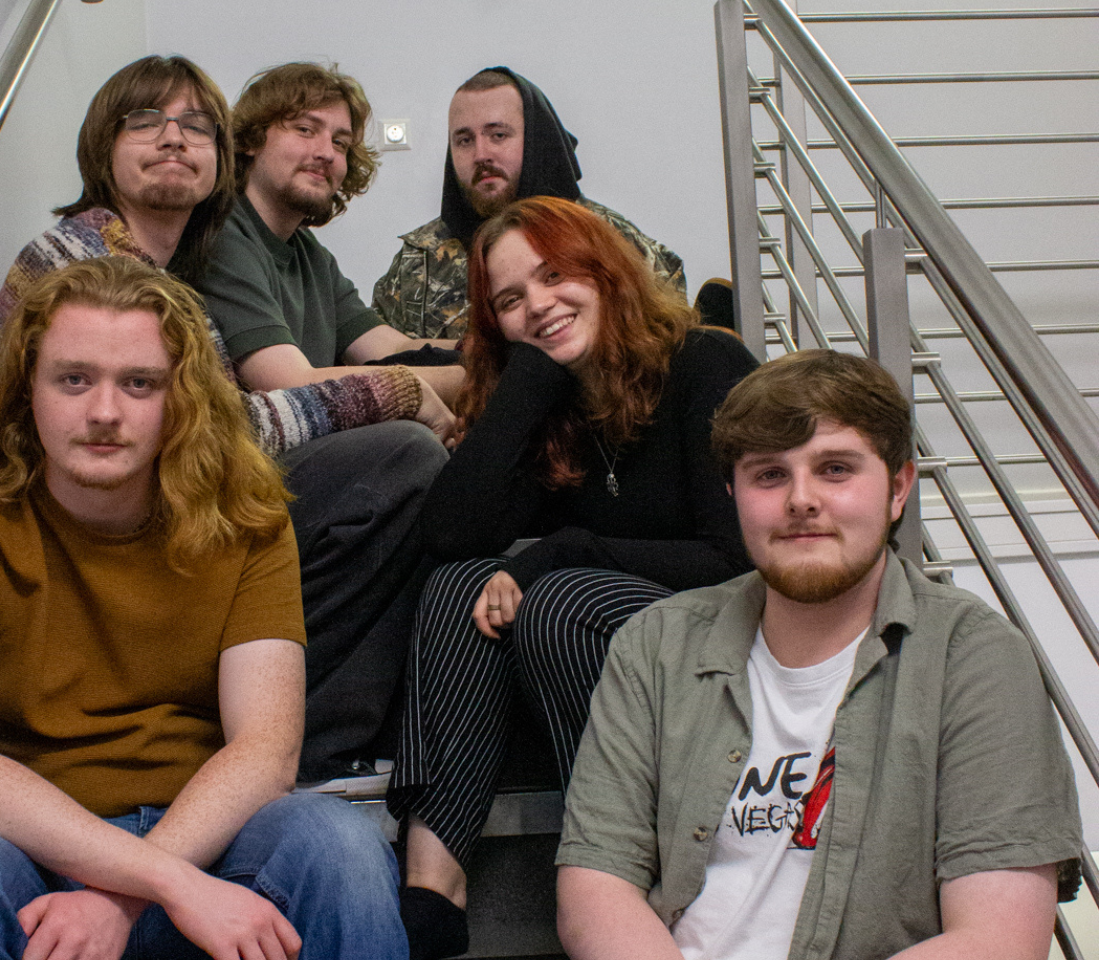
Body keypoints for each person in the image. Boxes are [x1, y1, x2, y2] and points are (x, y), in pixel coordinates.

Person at [0, 257, 407, 960]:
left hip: (210, 842)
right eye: (74, 379)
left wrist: (125, 898)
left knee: (339, 843)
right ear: (26, 389)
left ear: (180, 398)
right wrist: (163, 884)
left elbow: (266, 752)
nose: (104, 413)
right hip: (36, 852)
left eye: (139, 383)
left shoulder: (245, 522)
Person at [0, 55, 450, 784]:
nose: (174, 138)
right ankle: (299, 746)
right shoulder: (88, 262)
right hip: (98, 533)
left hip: (159, 504)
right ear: (103, 146)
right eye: (146, 121)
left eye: (196, 126)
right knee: (401, 459)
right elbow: (221, 430)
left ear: (217, 156)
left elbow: (221, 425)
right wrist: (398, 392)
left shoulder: (169, 279)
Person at [557, 349, 1084, 960]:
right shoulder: (656, 645)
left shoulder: (974, 660)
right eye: (769, 475)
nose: (801, 500)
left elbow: (997, 940)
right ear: (733, 494)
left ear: (898, 488)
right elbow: (596, 886)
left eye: (835, 469)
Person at [385, 196, 757, 959]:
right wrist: (526, 377)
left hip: (731, 633)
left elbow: (741, 558)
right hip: (612, 641)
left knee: (560, 599)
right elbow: (451, 535)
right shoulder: (556, 407)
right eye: (509, 300)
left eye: (555, 276)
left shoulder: (704, 363)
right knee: (461, 586)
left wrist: (566, 549)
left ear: (605, 270)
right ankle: (433, 888)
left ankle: (627, 873)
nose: (538, 304)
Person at [195, 61, 464, 406]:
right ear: (250, 140)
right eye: (305, 130)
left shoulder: (308, 252)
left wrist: (485, 351)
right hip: (258, 436)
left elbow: (391, 348)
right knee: (412, 435)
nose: (326, 153)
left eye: (340, 143)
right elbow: (289, 384)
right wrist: (472, 381)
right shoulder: (222, 234)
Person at [372, 67, 686, 341]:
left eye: (498, 135)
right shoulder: (417, 262)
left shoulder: (615, 242)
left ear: (535, 139)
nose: (481, 154)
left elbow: (663, 351)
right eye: (465, 140)